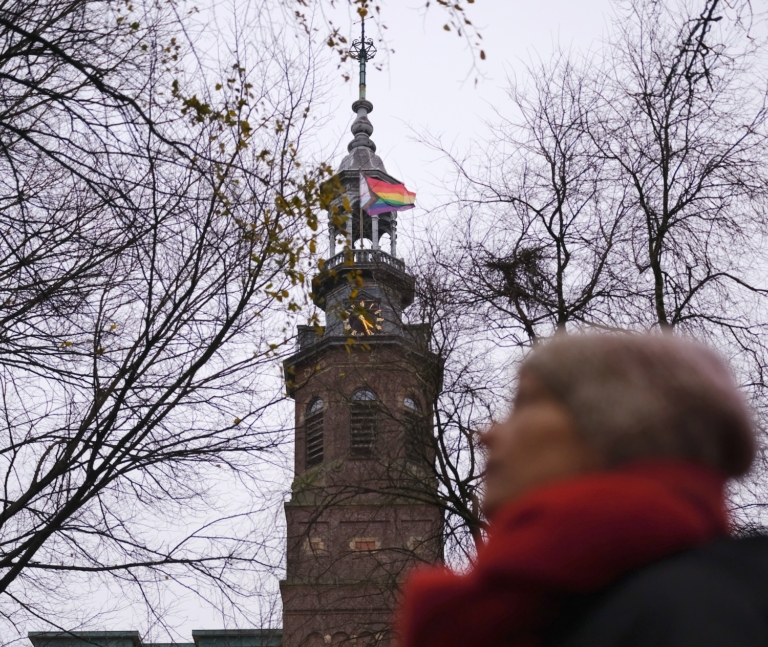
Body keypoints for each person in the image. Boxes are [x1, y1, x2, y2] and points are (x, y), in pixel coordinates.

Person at [396, 333, 768, 647]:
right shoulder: (543, 610)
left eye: (527, 401)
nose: (486, 433)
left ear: (618, 427)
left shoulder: (701, 606)